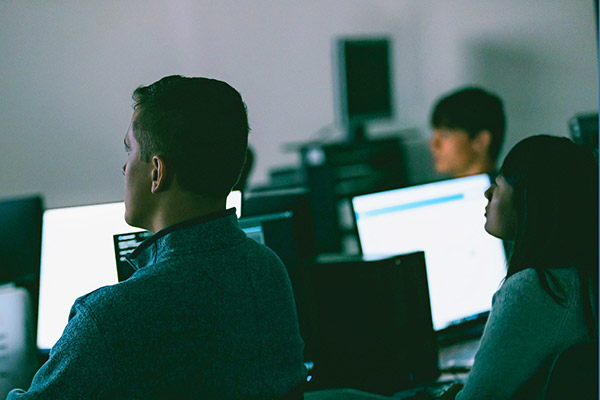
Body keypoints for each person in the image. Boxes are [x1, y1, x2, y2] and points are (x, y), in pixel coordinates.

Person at [7, 75, 306, 399]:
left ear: (156, 172)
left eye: (130, 150)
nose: (125, 168)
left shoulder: (109, 317)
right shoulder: (268, 269)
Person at [441, 135, 598, 399]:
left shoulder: (533, 289)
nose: (487, 193)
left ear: (528, 201)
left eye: (498, 185)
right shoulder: (582, 276)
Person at [429, 87, 506, 178]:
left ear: (480, 140)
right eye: (435, 134)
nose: (433, 145)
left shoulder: (509, 191)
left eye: (445, 135)